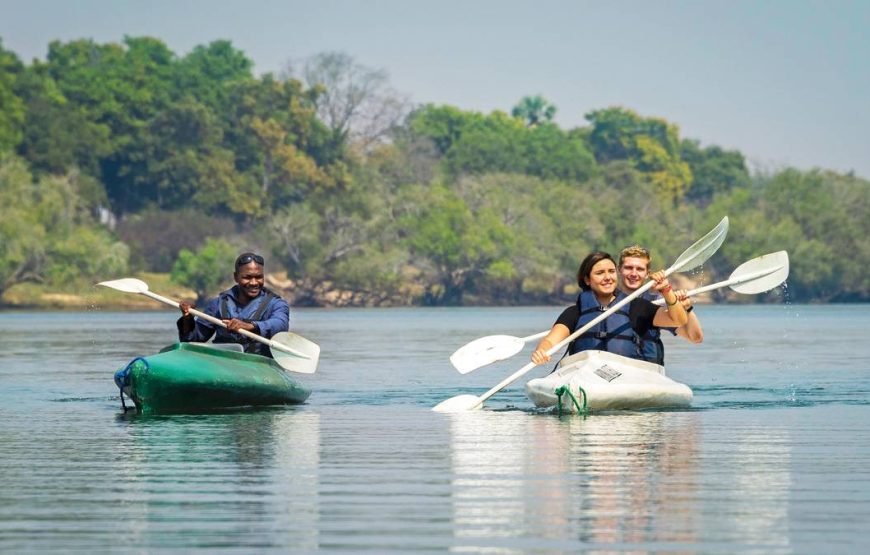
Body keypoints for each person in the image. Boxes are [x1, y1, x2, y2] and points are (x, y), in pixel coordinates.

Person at [531, 251, 687, 366]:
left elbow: (678, 320)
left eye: (611, 272)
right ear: (587, 279)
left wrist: (667, 291)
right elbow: (550, 341)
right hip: (586, 376)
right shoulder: (575, 312)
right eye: (600, 273)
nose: (607, 277)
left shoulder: (637, 307)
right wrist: (541, 351)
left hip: (628, 376)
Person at [177, 252, 290, 357]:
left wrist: (250, 326)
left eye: (259, 277)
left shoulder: (276, 304)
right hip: (223, 363)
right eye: (247, 277)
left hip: (259, 364)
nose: (254, 282)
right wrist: (188, 318)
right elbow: (192, 340)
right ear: (236, 277)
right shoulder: (218, 304)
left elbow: (280, 324)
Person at [618, 245, 703, 364]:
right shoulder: (606, 299)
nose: (634, 273)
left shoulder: (657, 303)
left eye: (640, 269)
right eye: (628, 268)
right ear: (619, 269)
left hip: (645, 371)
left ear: (648, 273)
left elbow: (695, 337)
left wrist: (687, 308)